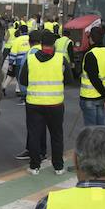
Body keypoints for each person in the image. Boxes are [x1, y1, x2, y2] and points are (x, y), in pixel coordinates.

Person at [15, 31, 70, 173]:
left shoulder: (31, 59)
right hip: (55, 104)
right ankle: (58, 167)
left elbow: (22, 80)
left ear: (41, 44)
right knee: (56, 136)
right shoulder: (60, 59)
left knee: (34, 135)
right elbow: (70, 79)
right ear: (54, 44)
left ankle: (34, 166)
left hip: (34, 104)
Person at [79, 26, 105, 127]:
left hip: (89, 97)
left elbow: (94, 79)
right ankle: (102, 143)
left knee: (91, 130)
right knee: (101, 128)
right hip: (102, 98)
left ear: (91, 39)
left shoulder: (90, 55)